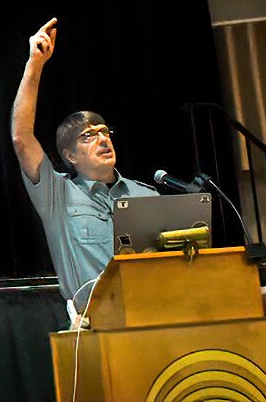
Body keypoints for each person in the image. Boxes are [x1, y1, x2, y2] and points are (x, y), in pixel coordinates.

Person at [9, 18, 158, 323]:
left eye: (105, 132)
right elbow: (21, 138)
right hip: (96, 326)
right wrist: (34, 65)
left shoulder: (148, 194)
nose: (102, 138)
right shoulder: (58, 195)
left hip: (154, 318)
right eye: (89, 136)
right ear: (69, 155)